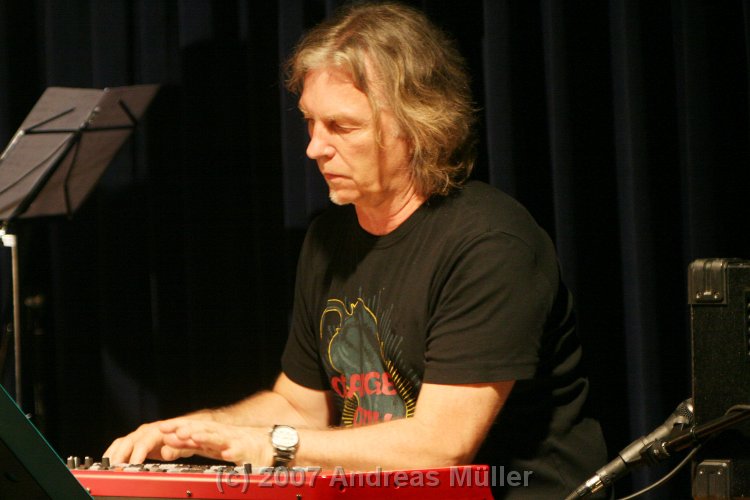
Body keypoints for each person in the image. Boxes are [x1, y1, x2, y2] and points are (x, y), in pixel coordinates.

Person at [105, 2, 608, 498]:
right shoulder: (328, 238)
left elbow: (440, 446)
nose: (314, 148)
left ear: (417, 124)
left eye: (342, 127)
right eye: (310, 122)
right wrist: (199, 431)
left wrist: (269, 446)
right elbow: (299, 407)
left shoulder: (490, 244)